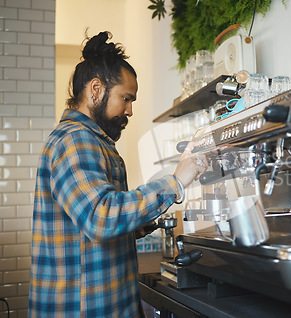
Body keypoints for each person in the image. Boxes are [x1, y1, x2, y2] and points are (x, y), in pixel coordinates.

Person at [28, 31, 207, 317]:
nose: (130, 110)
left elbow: (86, 223)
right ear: (96, 89)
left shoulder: (91, 140)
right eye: (126, 98)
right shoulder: (75, 140)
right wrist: (175, 183)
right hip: (84, 308)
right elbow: (100, 217)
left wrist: (133, 228)